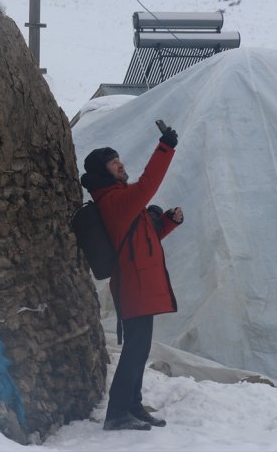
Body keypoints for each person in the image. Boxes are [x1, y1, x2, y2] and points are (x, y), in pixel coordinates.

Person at [80, 125, 183, 431]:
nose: (121, 165)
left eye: (119, 160)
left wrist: (167, 222)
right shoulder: (113, 201)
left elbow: (143, 240)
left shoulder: (121, 199)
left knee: (139, 349)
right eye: (114, 163)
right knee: (135, 350)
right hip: (134, 286)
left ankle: (132, 405)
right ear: (104, 172)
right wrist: (165, 146)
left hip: (140, 284)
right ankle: (117, 414)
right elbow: (149, 184)